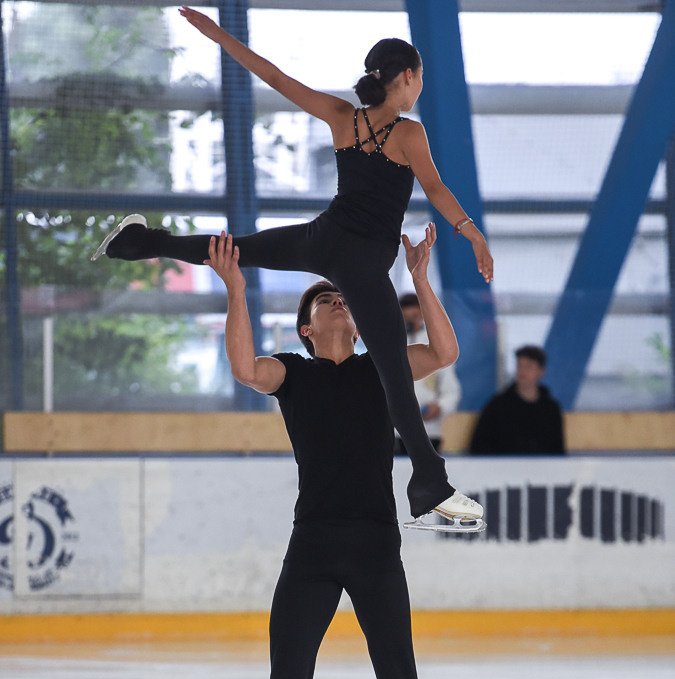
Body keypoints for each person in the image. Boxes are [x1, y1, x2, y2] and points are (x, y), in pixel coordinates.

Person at [91, 6, 491, 530]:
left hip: (323, 241)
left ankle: (138, 243)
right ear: (409, 76)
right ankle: (429, 483)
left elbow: (274, 77)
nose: (419, 88)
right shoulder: (408, 133)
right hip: (364, 262)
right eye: (419, 79)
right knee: (394, 375)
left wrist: (215, 33)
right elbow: (435, 190)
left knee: (236, 248)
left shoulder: (342, 116)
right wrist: (471, 232)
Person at [208, 225, 454, 679]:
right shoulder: (292, 374)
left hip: (375, 548)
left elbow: (445, 351)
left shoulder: (386, 369)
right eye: (322, 299)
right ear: (307, 330)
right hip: (311, 548)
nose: (335, 299)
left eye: (341, 294)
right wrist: (235, 286)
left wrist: (418, 278)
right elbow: (241, 367)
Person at [394, 292, 461, 455]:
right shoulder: (390, 344)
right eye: (405, 316)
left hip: (428, 431)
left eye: (414, 315)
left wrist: (439, 406)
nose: (410, 321)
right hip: (394, 433)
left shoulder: (435, 346)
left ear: (422, 315)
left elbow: (452, 391)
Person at [469, 345, 565, 455]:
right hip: (502, 469)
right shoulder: (498, 406)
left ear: (541, 371)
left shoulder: (551, 409)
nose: (522, 371)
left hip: (542, 470)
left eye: (529, 366)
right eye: (520, 365)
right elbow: (479, 446)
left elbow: (557, 450)